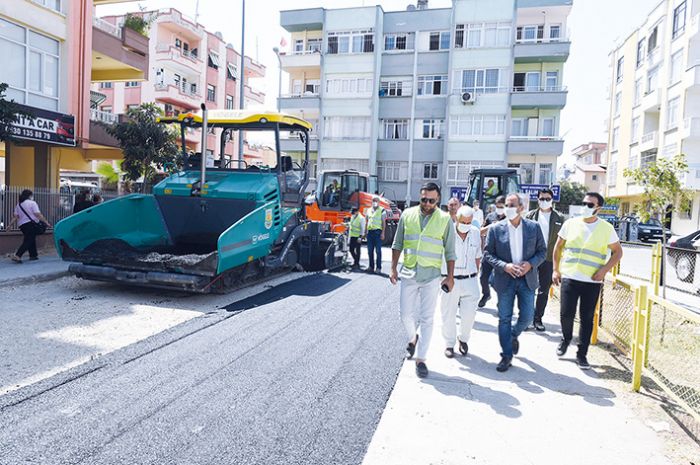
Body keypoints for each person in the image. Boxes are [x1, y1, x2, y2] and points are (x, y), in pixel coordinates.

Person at [390, 182, 456, 378]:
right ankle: (413, 337)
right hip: (409, 272)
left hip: (431, 276)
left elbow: (451, 252)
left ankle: (421, 359)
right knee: (405, 315)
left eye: (431, 200)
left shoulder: (445, 220)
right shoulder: (407, 215)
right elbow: (397, 243)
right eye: (424, 199)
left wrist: (450, 277)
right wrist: (393, 268)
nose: (427, 203)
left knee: (427, 319)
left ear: (438, 200)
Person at [552, 192, 623, 369]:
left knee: (586, 318)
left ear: (598, 208)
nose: (586, 207)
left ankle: (581, 354)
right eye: (584, 203)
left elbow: (618, 252)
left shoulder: (606, 229)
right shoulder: (571, 224)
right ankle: (566, 338)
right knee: (566, 314)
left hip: (592, 281)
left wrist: (604, 270)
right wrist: (555, 269)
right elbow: (558, 247)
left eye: (590, 205)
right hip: (570, 276)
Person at [484, 193, 546, 372]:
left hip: (527, 279)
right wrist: (505, 266)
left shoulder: (533, 228)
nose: (508, 208)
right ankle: (506, 355)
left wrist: (530, 264)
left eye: (512, 205)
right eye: (506, 205)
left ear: (521, 207)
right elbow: (488, 253)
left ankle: (513, 334)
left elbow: (542, 251)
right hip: (505, 280)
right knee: (504, 318)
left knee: (527, 317)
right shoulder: (496, 229)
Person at [440, 206, 481, 358]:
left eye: (469, 222)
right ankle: (449, 344)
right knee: (448, 314)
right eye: (463, 222)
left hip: (470, 280)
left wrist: (476, 272)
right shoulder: (446, 233)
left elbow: (478, 254)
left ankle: (463, 339)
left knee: (469, 315)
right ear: (456, 219)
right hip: (450, 279)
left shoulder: (475, 233)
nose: (466, 225)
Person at [525, 188, 564, 332]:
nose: (544, 201)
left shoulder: (559, 218)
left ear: (552, 200)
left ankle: (538, 319)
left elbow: (562, 242)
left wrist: (558, 265)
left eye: (547, 199)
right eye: (542, 199)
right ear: (538, 200)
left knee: (543, 291)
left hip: (548, 259)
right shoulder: (530, 216)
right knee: (528, 289)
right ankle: (527, 318)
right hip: (531, 258)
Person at [478, 195, 507, 308]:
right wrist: (491, 226)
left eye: (502, 206)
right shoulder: (490, 216)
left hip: (503, 254)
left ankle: (501, 302)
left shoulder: (509, 218)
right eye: (498, 206)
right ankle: (486, 294)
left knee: (500, 281)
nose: (500, 208)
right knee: (483, 277)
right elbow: (481, 232)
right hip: (489, 252)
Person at [9, 189, 51, 263]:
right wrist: (46, 222)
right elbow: (38, 214)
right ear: (29, 196)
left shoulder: (19, 205)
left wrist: (10, 225)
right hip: (30, 224)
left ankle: (33, 255)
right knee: (29, 240)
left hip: (22, 225)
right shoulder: (32, 203)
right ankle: (18, 255)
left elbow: (15, 217)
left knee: (31, 238)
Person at [365, 196, 387, 274]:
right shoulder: (368, 210)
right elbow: (366, 221)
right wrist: (365, 232)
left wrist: (383, 233)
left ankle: (378, 268)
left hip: (377, 232)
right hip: (370, 233)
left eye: (376, 200)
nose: (375, 202)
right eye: (373, 200)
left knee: (378, 251)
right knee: (370, 250)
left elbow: (383, 223)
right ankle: (371, 266)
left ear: (379, 202)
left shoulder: (382, 210)